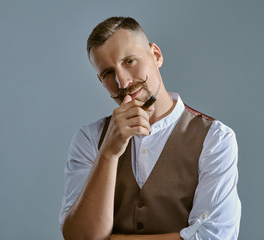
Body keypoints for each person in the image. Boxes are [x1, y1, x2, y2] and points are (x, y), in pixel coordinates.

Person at [59, 16, 241, 240]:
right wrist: (108, 153)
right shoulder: (89, 139)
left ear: (156, 55)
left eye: (129, 61)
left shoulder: (215, 138)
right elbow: (79, 237)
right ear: (100, 80)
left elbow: (214, 236)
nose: (123, 82)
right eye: (108, 73)